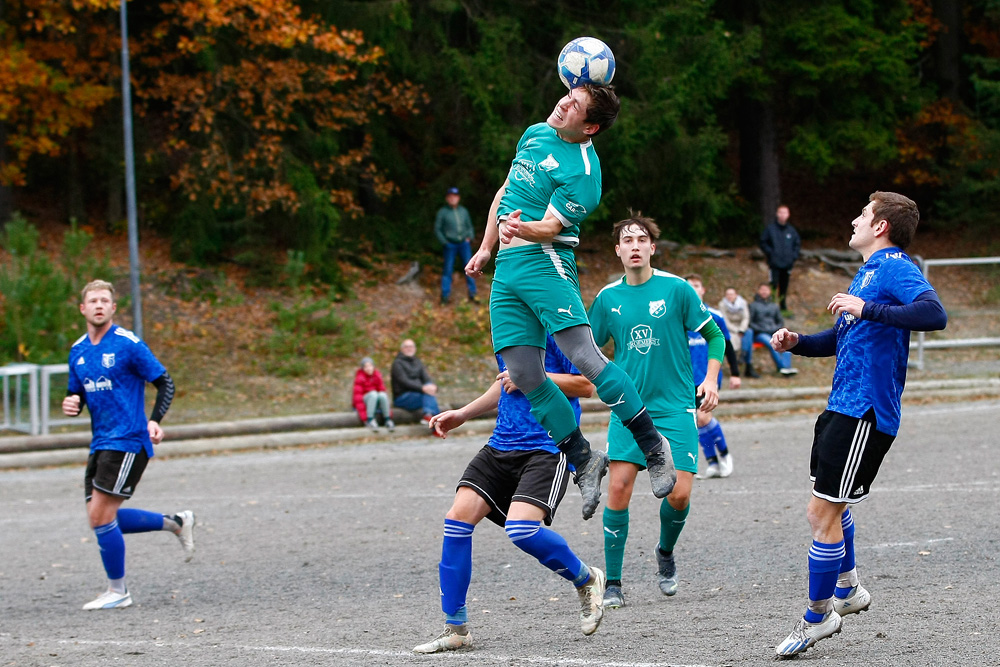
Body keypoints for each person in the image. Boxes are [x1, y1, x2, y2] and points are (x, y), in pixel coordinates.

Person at [465, 84, 679, 521]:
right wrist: (487, 246)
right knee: (523, 374)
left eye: (575, 105)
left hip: (545, 263)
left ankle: (654, 446)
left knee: (585, 357)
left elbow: (548, 228)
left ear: (590, 126)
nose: (563, 103)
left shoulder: (585, 174)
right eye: (568, 95)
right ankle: (584, 458)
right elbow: (503, 193)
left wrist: (519, 231)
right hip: (507, 269)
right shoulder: (535, 133)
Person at [770, 192, 947, 657]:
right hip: (841, 407)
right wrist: (798, 342)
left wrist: (867, 309)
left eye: (864, 215)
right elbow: (844, 336)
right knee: (834, 507)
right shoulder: (868, 271)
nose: (854, 220)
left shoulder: (894, 266)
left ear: (883, 226)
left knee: (820, 513)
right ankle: (848, 590)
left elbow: (934, 313)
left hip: (867, 412)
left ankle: (818, 615)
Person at [414, 335, 606, 653]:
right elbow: (505, 382)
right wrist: (463, 413)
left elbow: (585, 385)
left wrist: (532, 377)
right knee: (457, 519)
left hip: (547, 445)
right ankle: (456, 628)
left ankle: (586, 579)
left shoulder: (557, 328)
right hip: (501, 443)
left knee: (521, 530)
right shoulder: (507, 324)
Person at [587, 215, 724, 609]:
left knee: (679, 495)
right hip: (628, 412)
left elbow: (713, 335)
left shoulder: (677, 289)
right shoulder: (608, 299)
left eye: (641, 239)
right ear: (617, 250)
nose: (634, 245)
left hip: (676, 408)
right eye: (626, 240)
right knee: (618, 489)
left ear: (652, 248)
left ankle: (665, 552)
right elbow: (588, 351)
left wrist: (711, 380)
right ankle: (613, 582)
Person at [62, 280, 194, 610]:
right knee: (101, 518)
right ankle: (176, 522)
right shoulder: (77, 351)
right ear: (83, 308)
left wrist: (154, 421)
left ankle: (118, 592)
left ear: (113, 308)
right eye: (92, 301)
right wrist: (72, 403)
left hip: (129, 440)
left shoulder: (128, 344)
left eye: (105, 300)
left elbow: (165, 382)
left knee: (100, 516)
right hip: (100, 443)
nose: (98, 305)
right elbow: (76, 392)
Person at [686, 274, 741, 479]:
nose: (693, 289)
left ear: (703, 290)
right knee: (697, 421)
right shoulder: (679, 318)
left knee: (703, 417)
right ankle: (712, 462)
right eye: (689, 286)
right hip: (685, 380)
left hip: (707, 378)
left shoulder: (714, 315)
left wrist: (735, 373)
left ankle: (724, 455)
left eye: (696, 285)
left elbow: (727, 345)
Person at [743, 282, 798, 377]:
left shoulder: (774, 306)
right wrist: (762, 329)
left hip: (774, 331)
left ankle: (787, 367)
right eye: (762, 290)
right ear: (758, 291)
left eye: (766, 290)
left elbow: (780, 322)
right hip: (760, 334)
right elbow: (750, 322)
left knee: (787, 343)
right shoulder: (753, 305)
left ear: (769, 292)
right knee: (771, 343)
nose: (764, 292)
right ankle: (782, 367)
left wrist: (774, 329)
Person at [434, 187, 478, 305]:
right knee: (448, 270)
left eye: (455, 196)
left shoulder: (463, 211)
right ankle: (445, 296)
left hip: (464, 244)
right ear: (447, 198)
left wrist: (470, 237)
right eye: (450, 196)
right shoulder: (442, 212)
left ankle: (473, 294)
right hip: (450, 245)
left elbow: (469, 226)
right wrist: (444, 242)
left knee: (470, 268)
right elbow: (437, 229)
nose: (453, 199)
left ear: (458, 198)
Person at [760, 204, 802, 311]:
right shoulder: (771, 229)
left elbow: (797, 244)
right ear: (777, 214)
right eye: (781, 212)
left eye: (785, 213)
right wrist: (771, 253)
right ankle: (771, 306)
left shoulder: (791, 231)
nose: (783, 215)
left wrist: (793, 256)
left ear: (788, 215)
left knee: (784, 286)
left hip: (787, 264)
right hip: (774, 264)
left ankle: (783, 307)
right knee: (773, 284)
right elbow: (763, 242)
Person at [391, 339, 440, 425]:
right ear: (402, 349)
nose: (409, 349)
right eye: (407, 347)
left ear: (415, 348)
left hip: (419, 394)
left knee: (429, 391)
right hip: (402, 397)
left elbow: (426, 378)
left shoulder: (417, 362)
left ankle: (430, 417)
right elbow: (404, 382)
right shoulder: (397, 363)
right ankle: (434, 420)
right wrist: (422, 388)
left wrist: (433, 387)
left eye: (411, 346)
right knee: (429, 396)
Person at [352, 356, 394, 432]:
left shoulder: (377, 375)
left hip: (376, 401)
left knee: (382, 394)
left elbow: (383, 391)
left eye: (370, 366)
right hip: (366, 400)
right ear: (363, 368)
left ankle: (387, 419)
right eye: (366, 367)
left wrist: (390, 413)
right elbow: (358, 399)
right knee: (373, 393)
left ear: (373, 366)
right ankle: (370, 419)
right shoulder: (359, 378)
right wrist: (364, 418)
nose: (368, 368)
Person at [717, 287, 750, 354]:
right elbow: (725, 320)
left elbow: (746, 318)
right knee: (732, 339)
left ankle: (746, 358)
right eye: (728, 294)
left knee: (749, 333)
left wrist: (741, 329)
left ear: (736, 295)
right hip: (730, 328)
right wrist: (736, 330)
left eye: (731, 294)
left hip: (741, 326)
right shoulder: (722, 304)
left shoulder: (743, 303)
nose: (730, 296)